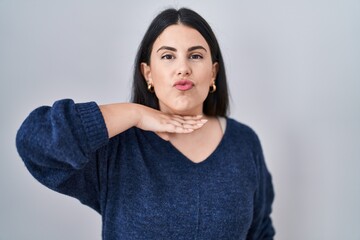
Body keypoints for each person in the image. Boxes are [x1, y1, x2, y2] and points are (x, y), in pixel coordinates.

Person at [16, 7, 275, 239]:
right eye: (167, 56)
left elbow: (259, 232)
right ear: (148, 73)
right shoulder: (117, 146)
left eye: (195, 56)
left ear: (213, 72)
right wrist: (134, 114)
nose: (183, 68)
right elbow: (34, 142)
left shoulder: (244, 143)